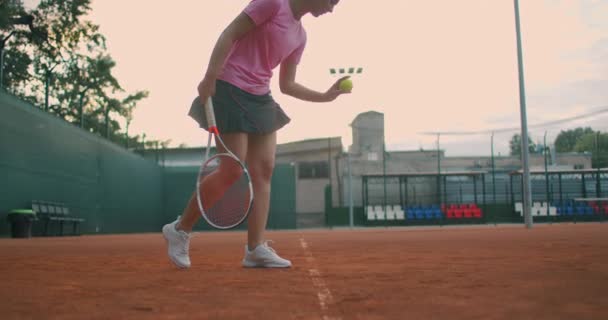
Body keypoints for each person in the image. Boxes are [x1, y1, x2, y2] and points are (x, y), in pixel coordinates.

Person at [163, 0, 350, 269]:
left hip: (261, 97)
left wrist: (325, 96)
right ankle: (179, 229)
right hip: (229, 86)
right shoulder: (273, 3)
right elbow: (230, 33)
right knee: (232, 170)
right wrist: (210, 77)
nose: (332, 8)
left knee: (264, 170)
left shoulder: (300, 36)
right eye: (332, 1)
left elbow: (287, 85)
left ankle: (255, 248)